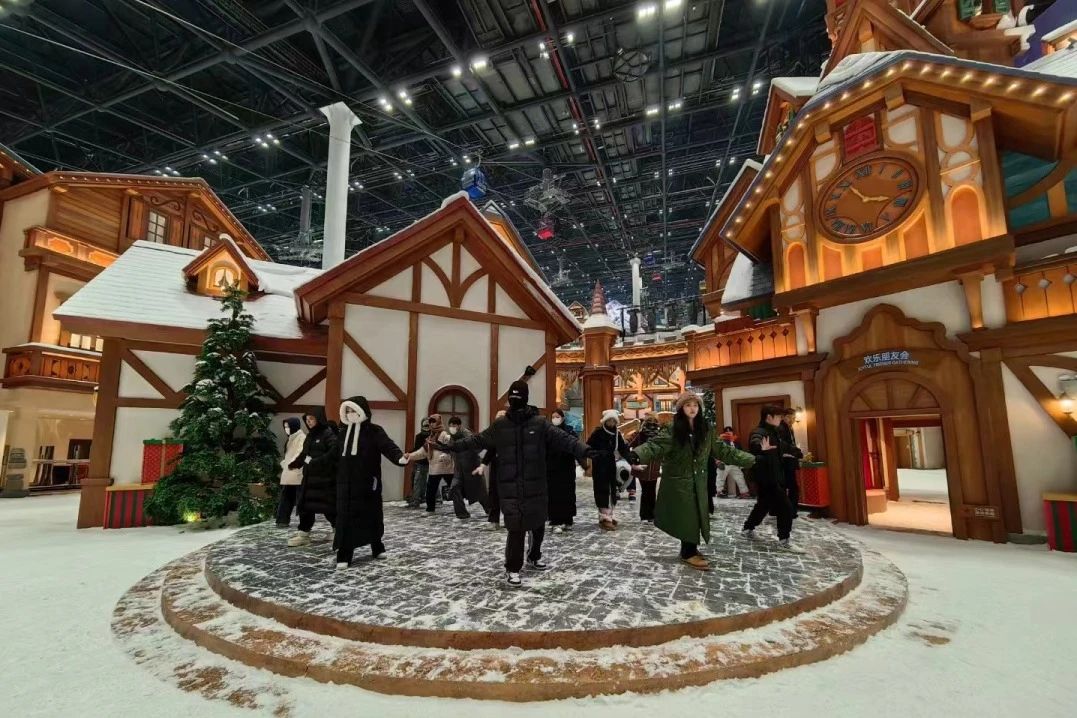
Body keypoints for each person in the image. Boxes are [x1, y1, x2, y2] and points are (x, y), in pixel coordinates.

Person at [439, 380, 593, 587]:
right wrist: (452, 445)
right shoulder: (501, 425)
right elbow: (477, 440)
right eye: (512, 396)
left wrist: (586, 451)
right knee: (516, 527)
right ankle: (512, 568)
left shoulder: (540, 424)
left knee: (538, 523)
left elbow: (565, 439)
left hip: (536, 483)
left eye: (518, 396)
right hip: (509, 484)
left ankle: (534, 555)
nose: (515, 399)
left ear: (525, 398)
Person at [631, 392, 755, 570]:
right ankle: (688, 552)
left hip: (699, 481)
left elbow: (723, 450)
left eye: (695, 405)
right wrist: (637, 454)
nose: (692, 408)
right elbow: (656, 445)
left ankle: (690, 549)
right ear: (681, 408)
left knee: (697, 515)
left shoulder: (706, 428)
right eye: (688, 405)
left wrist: (751, 459)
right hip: (679, 481)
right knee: (687, 516)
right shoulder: (673, 428)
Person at [334, 395, 407, 568]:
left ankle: (377, 545)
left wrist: (399, 457)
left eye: (353, 410)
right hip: (346, 485)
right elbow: (332, 455)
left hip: (368, 484)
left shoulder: (374, 431)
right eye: (347, 411)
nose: (350, 414)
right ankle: (344, 552)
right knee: (345, 519)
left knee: (372, 515)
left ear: (362, 411)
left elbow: (387, 446)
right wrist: (313, 463)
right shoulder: (342, 433)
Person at [741, 405, 802, 552]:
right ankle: (784, 540)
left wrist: (796, 451)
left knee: (763, 505)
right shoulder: (759, 432)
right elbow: (755, 443)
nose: (781, 419)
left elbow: (782, 446)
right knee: (786, 507)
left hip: (773, 476)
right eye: (778, 416)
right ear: (769, 417)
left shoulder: (774, 432)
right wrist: (760, 448)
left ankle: (748, 528)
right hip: (766, 477)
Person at [287, 409, 339, 547]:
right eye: (307, 419)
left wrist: (316, 462)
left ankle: (338, 531)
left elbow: (334, 454)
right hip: (309, 480)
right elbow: (304, 454)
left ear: (319, 418)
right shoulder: (310, 435)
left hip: (325, 481)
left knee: (329, 508)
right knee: (305, 507)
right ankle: (303, 534)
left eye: (311, 419)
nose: (308, 422)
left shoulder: (328, 434)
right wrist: (295, 463)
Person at [587, 409, 629, 530]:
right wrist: (596, 455)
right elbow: (588, 447)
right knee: (601, 489)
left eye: (613, 420)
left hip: (610, 464)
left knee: (611, 489)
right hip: (599, 464)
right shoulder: (598, 432)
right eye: (609, 420)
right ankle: (604, 517)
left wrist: (632, 461)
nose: (611, 422)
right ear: (605, 421)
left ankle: (609, 514)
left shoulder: (617, 434)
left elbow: (623, 449)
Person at [446, 417, 486, 521]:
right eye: (450, 425)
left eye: (454, 425)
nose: (451, 428)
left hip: (472, 469)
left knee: (480, 494)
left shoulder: (468, 436)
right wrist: (445, 456)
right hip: (459, 470)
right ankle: (462, 514)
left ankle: (490, 510)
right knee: (454, 488)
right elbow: (450, 450)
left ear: (459, 426)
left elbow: (478, 448)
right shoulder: (451, 438)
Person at [547, 408, 579, 533]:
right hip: (552, 468)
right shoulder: (548, 432)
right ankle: (555, 521)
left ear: (563, 418)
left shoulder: (570, 431)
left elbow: (575, 446)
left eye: (557, 416)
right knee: (554, 494)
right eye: (553, 417)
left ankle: (567, 519)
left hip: (567, 467)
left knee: (568, 493)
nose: (555, 419)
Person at [629, 414, 662, 522]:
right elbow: (629, 443)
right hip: (643, 466)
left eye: (654, 420)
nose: (652, 423)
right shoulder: (641, 434)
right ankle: (647, 515)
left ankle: (649, 515)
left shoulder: (659, 435)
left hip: (653, 466)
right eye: (650, 420)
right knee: (647, 490)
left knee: (650, 491)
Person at [276, 417, 306, 527]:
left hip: (297, 472)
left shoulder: (301, 437)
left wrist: (290, 464)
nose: (286, 429)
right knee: (287, 497)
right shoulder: (291, 438)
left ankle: (304, 523)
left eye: (288, 426)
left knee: (300, 499)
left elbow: (300, 453)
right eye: (285, 427)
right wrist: (285, 463)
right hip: (290, 473)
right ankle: (282, 520)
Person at [423, 414, 455, 514]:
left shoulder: (444, 434)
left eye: (433, 421)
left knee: (454, 487)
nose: (431, 424)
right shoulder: (431, 435)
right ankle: (430, 508)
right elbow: (424, 450)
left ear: (438, 422)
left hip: (445, 466)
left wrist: (435, 446)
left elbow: (450, 447)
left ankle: (460, 507)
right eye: (430, 422)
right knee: (431, 488)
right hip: (435, 467)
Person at [779, 408, 803, 518]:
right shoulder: (781, 428)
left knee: (788, 487)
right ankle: (790, 511)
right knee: (791, 488)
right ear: (784, 417)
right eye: (790, 417)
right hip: (785, 462)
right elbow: (783, 445)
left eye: (793, 418)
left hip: (789, 462)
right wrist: (796, 451)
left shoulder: (789, 428)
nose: (792, 420)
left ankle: (788, 510)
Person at [717, 426, 751, 499]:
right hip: (724, 463)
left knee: (740, 477)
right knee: (720, 477)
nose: (729, 432)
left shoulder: (736, 443)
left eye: (730, 431)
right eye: (727, 431)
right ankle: (719, 492)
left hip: (734, 463)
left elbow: (740, 453)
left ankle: (744, 492)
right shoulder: (721, 442)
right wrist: (717, 461)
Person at [406, 418, 430, 509]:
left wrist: (410, 454)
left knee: (422, 481)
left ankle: (417, 499)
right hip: (420, 462)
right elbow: (417, 449)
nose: (426, 427)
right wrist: (409, 454)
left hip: (428, 462)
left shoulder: (433, 435)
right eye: (425, 425)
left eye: (428, 425)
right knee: (418, 480)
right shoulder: (419, 436)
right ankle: (419, 498)